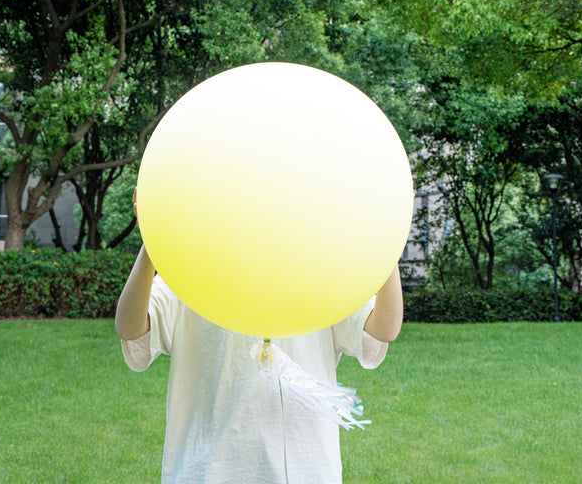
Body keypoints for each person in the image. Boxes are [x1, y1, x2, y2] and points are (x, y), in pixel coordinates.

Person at [115, 190, 404, 484]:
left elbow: (383, 329)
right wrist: (152, 243)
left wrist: (388, 242)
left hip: (305, 470)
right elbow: (130, 329)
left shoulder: (319, 271)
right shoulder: (193, 269)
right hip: (210, 471)